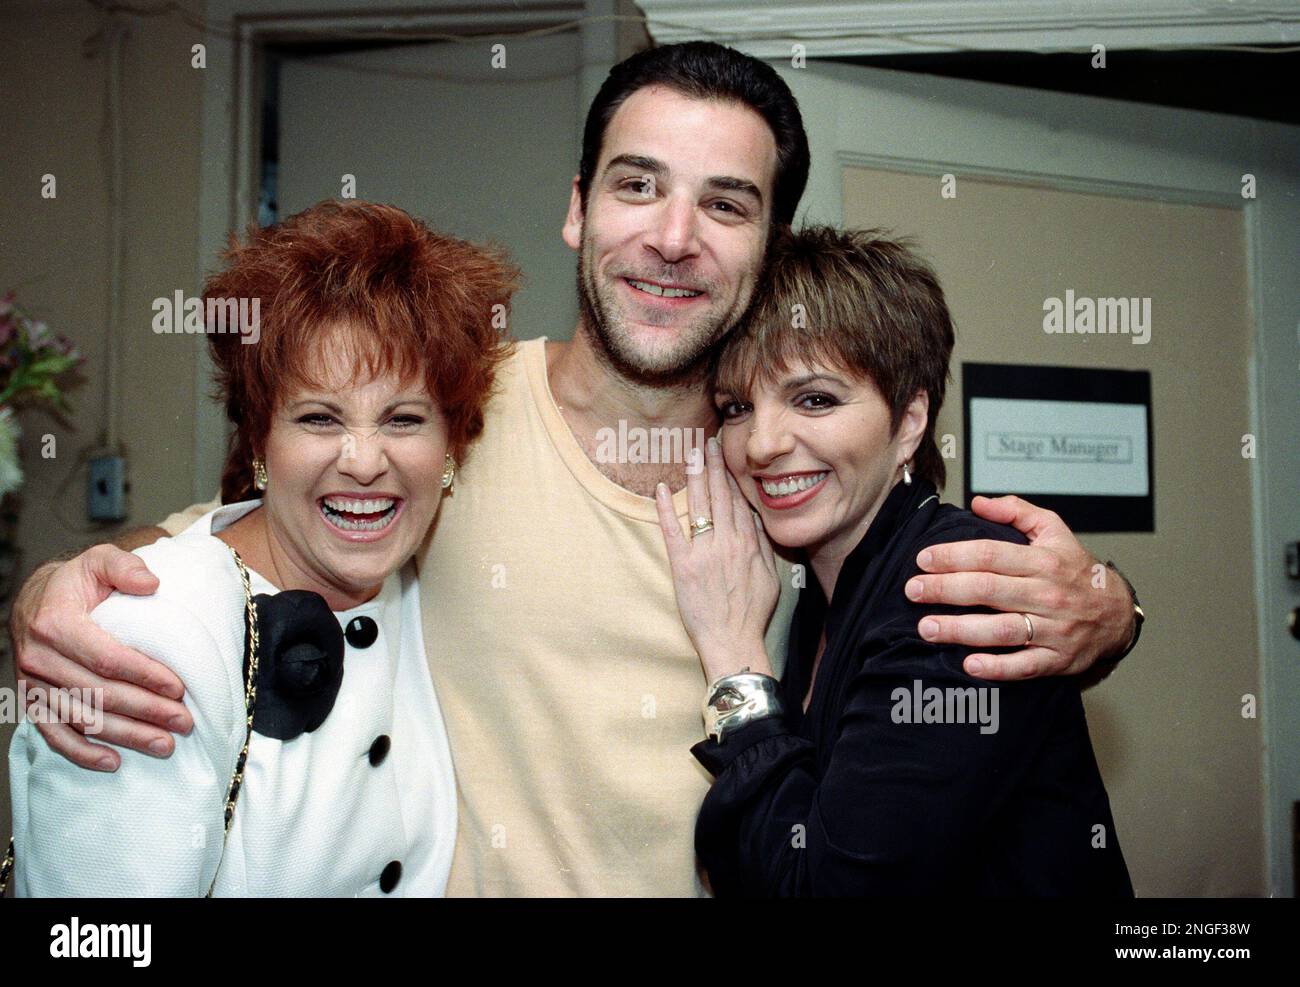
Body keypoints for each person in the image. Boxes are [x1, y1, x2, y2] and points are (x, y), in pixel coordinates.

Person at [8, 43, 1142, 896]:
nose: (671, 235)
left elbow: (930, 637)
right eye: (637, 184)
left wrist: (1110, 609)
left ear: (772, 241)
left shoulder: (794, 481)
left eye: (725, 203)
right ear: (578, 208)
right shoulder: (441, 417)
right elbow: (264, 528)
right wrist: (62, 589)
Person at [7, 200, 518, 895]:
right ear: (259, 442)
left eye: (404, 418)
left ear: (451, 447)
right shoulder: (149, 635)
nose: (364, 460)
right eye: (318, 417)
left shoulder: (421, 583)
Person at [655, 226, 1133, 895]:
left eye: (814, 398)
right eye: (737, 407)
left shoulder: (953, 584)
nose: (761, 443)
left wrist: (733, 659)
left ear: (909, 420)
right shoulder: (815, 589)